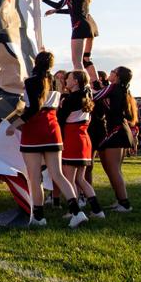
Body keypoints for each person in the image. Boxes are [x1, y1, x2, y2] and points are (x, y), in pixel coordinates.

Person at [5, 51, 88, 228]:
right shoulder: (58, 81)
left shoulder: (31, 81)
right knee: (57, 174)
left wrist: (14, 124)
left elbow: (34, 107)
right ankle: (77, 212)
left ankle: (39, 217)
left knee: (34, 177)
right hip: (52, 128)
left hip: (34, 130)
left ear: (36, 62)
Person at [37, 0, 100, 85]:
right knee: (85, 59)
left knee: (76, 62)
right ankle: (95, 83)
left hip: (79, 25)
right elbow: (75, 11)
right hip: (89, 25)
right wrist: (55, 11)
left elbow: (59, 4)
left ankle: (82, 87)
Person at [58, 71, 104, 219]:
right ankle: (97, 210)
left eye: (69, 78)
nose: (66, 81)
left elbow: (60, 120)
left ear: (76, 81)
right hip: (84, 140)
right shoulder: (87, 96)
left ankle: (74, 211)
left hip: (73, 140)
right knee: (80, 179)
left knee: (70, 178)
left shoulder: (71, 99)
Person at [94, 66, 136, 212]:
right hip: (120, 130)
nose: (109, 73)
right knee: (114, 169)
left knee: (114, 169)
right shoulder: (120, 89)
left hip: (117, 131)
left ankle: (125, 204)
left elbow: (95, 97)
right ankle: (120, 200)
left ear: (117, 76)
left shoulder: (113, 87)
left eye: (112, 71)